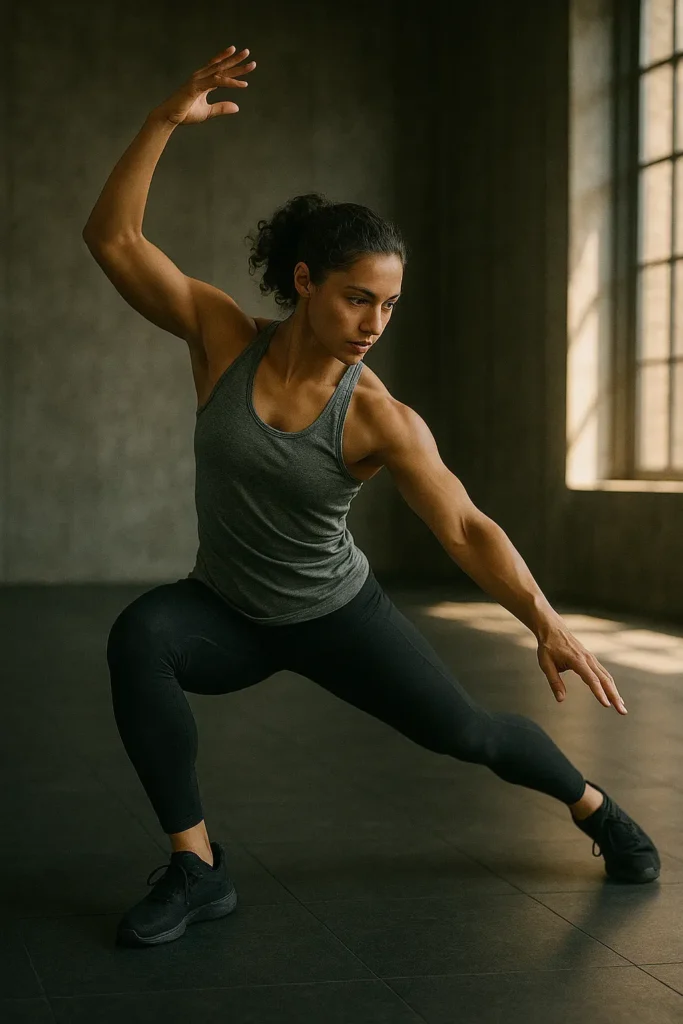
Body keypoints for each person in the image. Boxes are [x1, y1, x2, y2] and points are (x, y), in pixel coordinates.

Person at [83, 45, 659, 949]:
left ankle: (594, 807)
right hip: (226, 611)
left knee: (465, 733)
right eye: (358, 300)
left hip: (334, 613)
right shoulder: (223, 338)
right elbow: (112, 240)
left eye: (388, 306)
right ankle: (197, 868)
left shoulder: (380, 418)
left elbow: (465, 526)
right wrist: (163, 120)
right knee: (138, 640)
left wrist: (542, 618)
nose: (373, 325)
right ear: (304, 282)